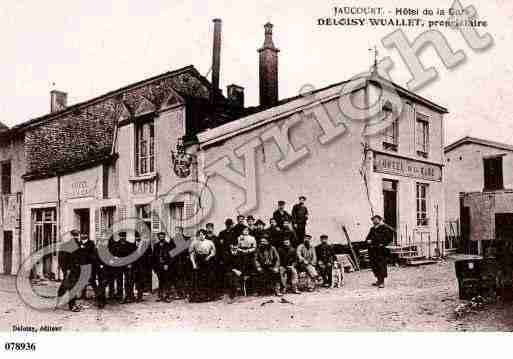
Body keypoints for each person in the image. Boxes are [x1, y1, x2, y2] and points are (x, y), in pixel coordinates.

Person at [57, 230, 84, 312]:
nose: (77, 237)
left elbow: (61, 259)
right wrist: (66, 269)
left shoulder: (67, 245)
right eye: (76, 235)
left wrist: (64, 269)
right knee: (72, 287)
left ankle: (60, 300)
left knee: (67, 285)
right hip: (72, 270)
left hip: (72, 270)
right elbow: (63, 259)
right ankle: (72, 306)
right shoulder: (76, 245)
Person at [366, 215, 394, 288]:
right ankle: (378, 280)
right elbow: (368, 238)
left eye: (376, 219)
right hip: (373, 250)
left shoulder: (384, 228)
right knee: (374, 266)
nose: (374, 221)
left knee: (381, 265)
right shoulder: (372, 229)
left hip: (381, 250)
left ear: (379, 220)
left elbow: (389, 238)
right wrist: (368, 241)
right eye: (373, 220)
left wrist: (382, 244)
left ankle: (382, 282)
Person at [189, 229, 216, 302]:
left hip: (207, 260)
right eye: (200, 234)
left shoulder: (209, 242)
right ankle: (197, 297)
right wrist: (194, 264)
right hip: (198, 260)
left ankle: (208, 296)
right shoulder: (194, 242)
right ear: (198, 235)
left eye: (203, 234)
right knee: (197, 279)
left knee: (208, 278)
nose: (202, 236)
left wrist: (209, 256)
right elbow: (191, 254)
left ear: (205, 235)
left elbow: (213, 251)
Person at [152, 232, 175, 302]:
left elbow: (172, 257)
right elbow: (154, 257)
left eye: (162, 236)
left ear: (164, 237)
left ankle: (167, 296)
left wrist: (167, 264)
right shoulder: (156, 245)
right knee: (160, 281)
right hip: (159, 266)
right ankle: (160, 296)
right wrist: (155, 267)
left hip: (166, 266)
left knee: (167, 281)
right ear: (158, 237)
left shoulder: (169, 245)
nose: (161, 238)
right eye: (160, 237)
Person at [133, 234, 153, 302]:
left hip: (143, 266)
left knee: (141, 281)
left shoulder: (146, 246)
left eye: (139, 237)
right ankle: (134, 295)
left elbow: (150, 257)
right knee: (135, 280)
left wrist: (148, 267)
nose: (137, 238)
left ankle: (140, 295)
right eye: (136, 237)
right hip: (134, 266)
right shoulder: (132, 245)